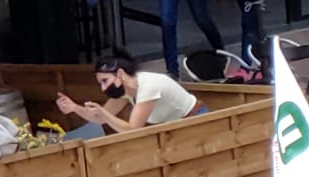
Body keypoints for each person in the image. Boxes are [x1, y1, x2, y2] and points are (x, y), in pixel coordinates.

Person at [56, 52, 204, 140]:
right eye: (100, 84)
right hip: (179, 127)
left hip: (197, 122)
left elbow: (133, 129)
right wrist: (74, 108)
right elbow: (98, 118)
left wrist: (103, 113)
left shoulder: (147, 87)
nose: (103, 88)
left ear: (120, 74)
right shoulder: (126, 91)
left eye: (105, 81)